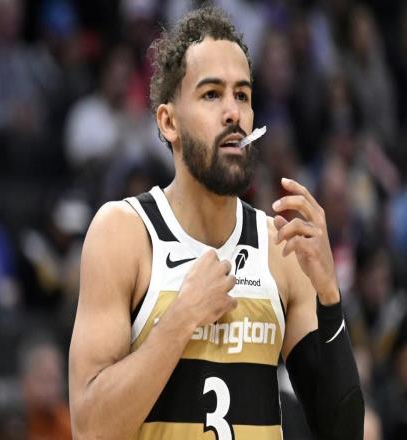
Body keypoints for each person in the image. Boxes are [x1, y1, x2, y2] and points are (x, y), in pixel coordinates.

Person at [69, 6, 364, 440]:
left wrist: (329, 296)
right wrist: (180, 319)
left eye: (242, 96)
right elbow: (90, 429)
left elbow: (342, 433)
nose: (233, 113)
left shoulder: (280, 247)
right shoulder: (124, 233)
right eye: (212, 95)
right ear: (169, 122)